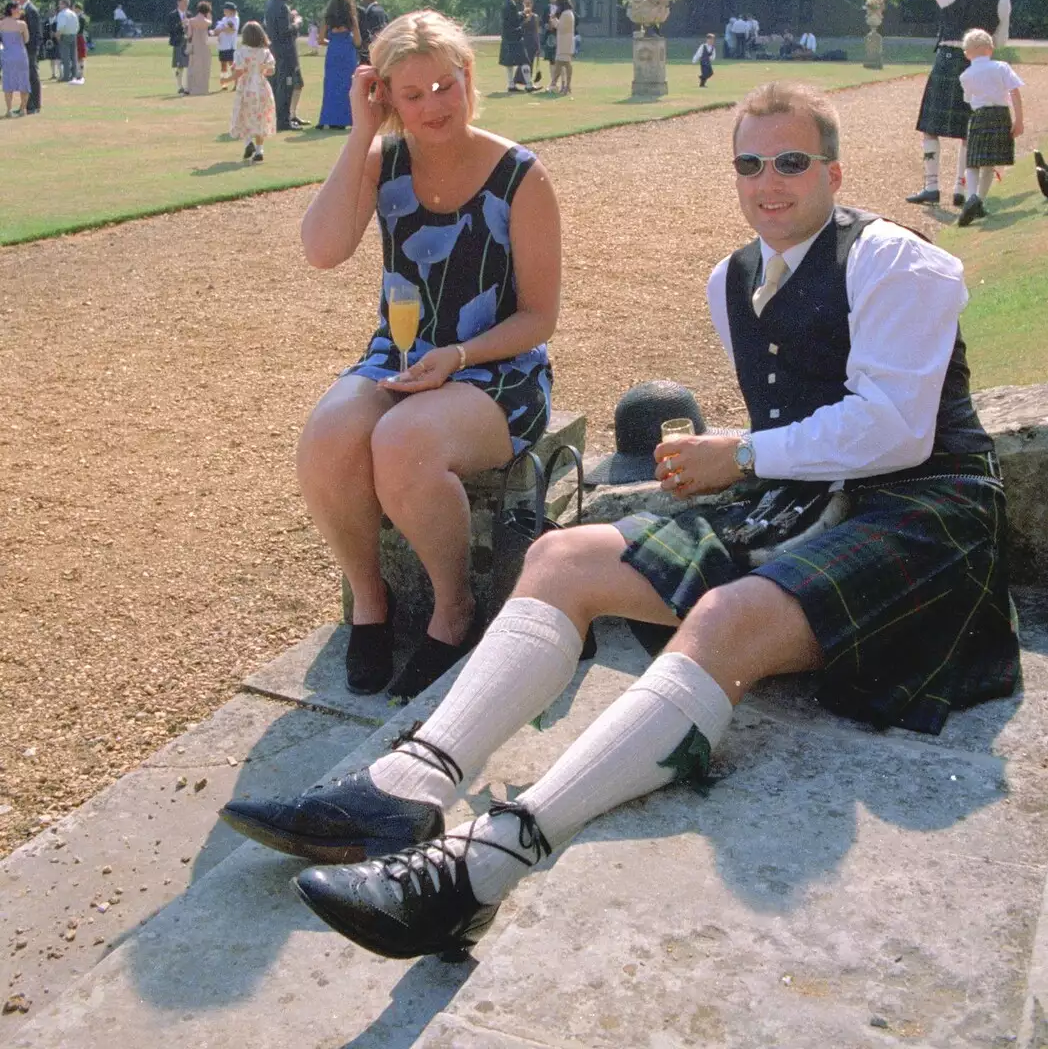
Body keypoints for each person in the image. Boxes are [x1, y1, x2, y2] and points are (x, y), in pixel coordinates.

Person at [221, 78, 1017, 961]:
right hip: (796, 499)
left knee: (723, 618)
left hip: (925, 509)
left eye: (792, 161)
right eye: (749, 164)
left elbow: (897, 432)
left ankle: (484, 865)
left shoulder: (901, 262)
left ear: (833, 169)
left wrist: (742, 454)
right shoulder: (732, 280)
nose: (769, 182)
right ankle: (403, 786)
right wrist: (743, 467)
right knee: (562, 556)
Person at [277, 8, 559, 705]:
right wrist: (361, 133)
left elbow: (539, 316)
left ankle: (453, 608)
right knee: (329, 436)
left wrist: (458, 354)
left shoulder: (520, 176)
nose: (433, 105)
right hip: (398, 356)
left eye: (445, 85)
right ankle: (371, 605)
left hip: (496, 368)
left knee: (403, 441)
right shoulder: (385, 161)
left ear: (467, 78)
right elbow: (321, 250)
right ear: (387, 98)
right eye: (411, 94)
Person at [907, 0, 1010, 209]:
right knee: (968, 129)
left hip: (948, 58)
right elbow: (1000, 41)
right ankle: (961, 189)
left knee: (931, 126)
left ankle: (931, 187)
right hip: (978, 63)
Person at [956, 28, 1025, 226]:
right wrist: (1019, 120)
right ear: (989, 49)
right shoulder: (1001, 67)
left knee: (972, 160)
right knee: (989, 162)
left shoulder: (965, 76)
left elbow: (969, 99)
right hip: (1000, 115)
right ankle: (978, 200)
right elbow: (1015, 92)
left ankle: (971, 197)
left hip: (978, 116)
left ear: (968, 53)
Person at [230, 20, 276, 164]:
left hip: (246, 86)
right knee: (260, 117)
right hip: (261, 87)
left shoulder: (241, 52)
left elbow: (239, 70)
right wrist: (262, 70)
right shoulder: (265, 52)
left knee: (244, 114)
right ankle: (259, 149)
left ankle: (248, 142)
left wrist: (227, 78)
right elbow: (271, 70)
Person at [264, 0, 307, 130]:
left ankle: (282, 118)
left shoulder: (270, 4)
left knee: (278, 85)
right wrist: (297, 23)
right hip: (285, 52)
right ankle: (283, 121)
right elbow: (285, 32)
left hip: (275, 51)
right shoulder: (282, 7)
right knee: (285, 86)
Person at [317, 0, 361, 130]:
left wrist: (333, 42)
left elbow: (320, 40)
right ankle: (345, 118)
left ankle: (328, 118)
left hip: (333, 51)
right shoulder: (351, 17)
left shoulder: (327, 18)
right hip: (347, 52)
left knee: (330, 85)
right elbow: (357, 41)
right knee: (347, 86)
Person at [10, 0, 40, 113]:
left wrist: (30, 49)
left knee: (32, 75)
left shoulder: (31, 10)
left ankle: (34, 105)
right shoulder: (22, 9)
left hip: (29, 48)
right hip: (22, 48)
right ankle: (25, 105)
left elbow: (34, 32)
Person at [498, 0, 531, 93]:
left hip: (507, 37)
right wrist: (524, 14)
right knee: (524, 60)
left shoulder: (505, 3)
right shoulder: (511, 4)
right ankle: (529, 85)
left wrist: (520, 14)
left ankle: (511, 84)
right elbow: (515, 20)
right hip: (514, 37)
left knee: (509, 62)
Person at [1, 1, 31, 115]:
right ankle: (23, 109)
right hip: (20, 55)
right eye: (19, 9)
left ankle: (8, 110)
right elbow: (26, 40)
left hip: (7, 55)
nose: (21, 11)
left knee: (8, 83)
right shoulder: (22, 24)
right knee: (23, 82)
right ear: (13, 10)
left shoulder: (1, 24)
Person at [185, 0, 213, 95]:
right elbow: (210, 22)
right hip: (204, 46)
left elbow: (189, 35)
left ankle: (190, 88)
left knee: (192, 67)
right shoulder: (207, 22)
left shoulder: (191, 21)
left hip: (194, 45)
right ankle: (203, 88)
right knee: (204, 67)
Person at [550, 0, 575, 95]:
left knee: (564, 63)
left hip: (565, 41)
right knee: (560, 63)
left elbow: (561, 27)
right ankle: (555, 84)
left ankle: (564, 85)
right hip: (565, 41)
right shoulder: (568, 13)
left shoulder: (566, 14)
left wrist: (553, 19)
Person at [167, 0, 191, 95]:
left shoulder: (189, 14)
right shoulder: (172, 15)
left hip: (188, 42)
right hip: (178, 42)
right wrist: (181, 24)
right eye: (184, 2)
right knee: (179, 65)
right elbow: (169, 29)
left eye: (187, 2)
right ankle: (179, 86)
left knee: (189, 64)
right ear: (179, 2)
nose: (186, 4)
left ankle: (188, 86)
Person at [357, 0, 388, 65]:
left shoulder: (371, 12)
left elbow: (369, 32)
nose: (361, 1)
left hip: (372, 49)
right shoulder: (382, 11)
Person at [213, 3, 240, 91]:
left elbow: (232, 30)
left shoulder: (235, 18)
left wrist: (221, 29)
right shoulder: (224, 19)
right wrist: (216, 31)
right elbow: (217, 29)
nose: (224, 11)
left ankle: (237, 83)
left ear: (230, 10)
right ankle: (224, 83)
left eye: (226, 9)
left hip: (230, 45)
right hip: (222, 45)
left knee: (232, 65)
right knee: (223, 66)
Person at [54, 0, 80, 83]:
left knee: (65, 58)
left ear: (64, 4)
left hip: (65, 36)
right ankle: (74, 74)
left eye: (60, 4)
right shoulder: (73, 13)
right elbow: (77, 26)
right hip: (73, 35)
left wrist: (58, 35)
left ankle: (66, 76)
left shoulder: (62, 14)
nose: (59, 6)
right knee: (73, 57)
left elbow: (61, 26)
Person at [520, 0, 542, 87]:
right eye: (526, 3)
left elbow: (537, 31)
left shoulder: (535, 16)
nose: (528, 5)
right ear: (523, 4)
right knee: (524, 62)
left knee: (531, 62)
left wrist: (538, 45)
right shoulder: (520, 15)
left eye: (529, 3)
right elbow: (520, 26)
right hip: (523, 41)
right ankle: (525, 82)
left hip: (532, 41)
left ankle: (529, 82)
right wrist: (526, 17)